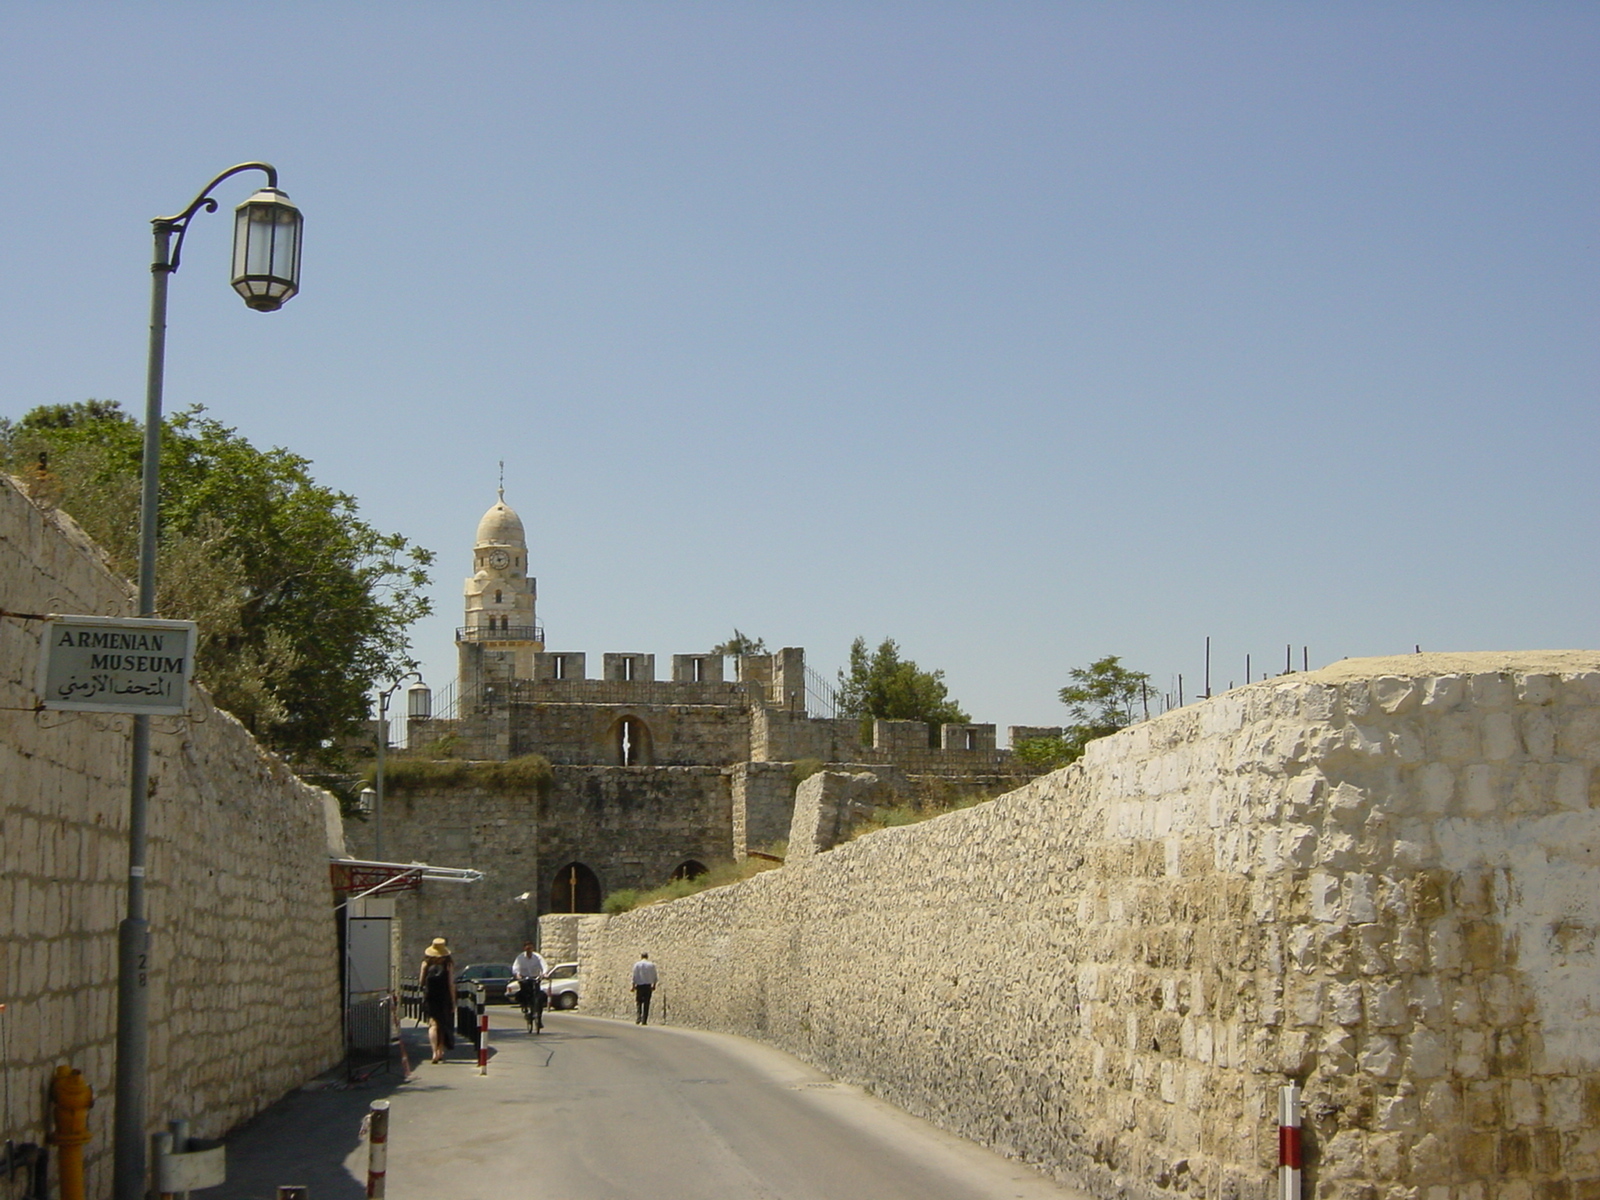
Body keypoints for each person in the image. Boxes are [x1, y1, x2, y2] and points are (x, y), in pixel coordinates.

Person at [418, 937, 457, 1064]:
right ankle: (440, 1051)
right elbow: (451, 984)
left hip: (430, 996)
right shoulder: (448, 964)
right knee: (443, 1024)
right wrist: (453, 1000)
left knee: (433, 1024)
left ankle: (434, 1052)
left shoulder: (425, 963)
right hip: (444, 996)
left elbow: (421, 982)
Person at [511, 941, 548, 1032]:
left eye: (530, 948)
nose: (529, 950)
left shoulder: (537, 957)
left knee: (539, 997)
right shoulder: (520, 958)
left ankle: (539, 1018)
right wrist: (518, 975)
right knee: (524, 994)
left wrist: (544, 973)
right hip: (524, 979)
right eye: (527, 949)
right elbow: (515, 968)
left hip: (535, 979)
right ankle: (525, 1007)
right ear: (524, 949)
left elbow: (544, 965)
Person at [631, 953, 658, 1025]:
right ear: (647, 957)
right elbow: (655, 975)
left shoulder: (637, 965)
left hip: (639, 986)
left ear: (641, 957)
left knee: (639, 1002)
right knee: (647, 1003)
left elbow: (634, 975)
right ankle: (644, 1020)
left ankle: (638, 1017)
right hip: (648, 986)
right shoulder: (651, 965)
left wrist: (633, 986)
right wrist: (654, 985)